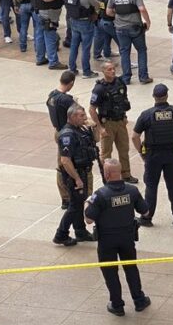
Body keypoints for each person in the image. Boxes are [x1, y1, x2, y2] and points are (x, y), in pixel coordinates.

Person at [83, 159, 151, 316]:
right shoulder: (132, 191)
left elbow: (89, 219)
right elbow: (146, 212)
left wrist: (87, 203)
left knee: (110, 272)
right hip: (127, 237)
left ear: (106, 174)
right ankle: (139, 300)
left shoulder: (100, 195)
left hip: (107, 240)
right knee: (131, 268)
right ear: (119, 172)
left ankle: (117, 304)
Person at [132, 84, 173, 226]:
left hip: (153, 156)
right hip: (172, 154)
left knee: (151, 186)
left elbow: (135, 136)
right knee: (172, 185)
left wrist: (141, 152)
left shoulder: (146, 114)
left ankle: (147, 218)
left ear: (154, 97)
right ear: (167, 96)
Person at [53, 104, 98, 247]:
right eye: (81, 116)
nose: (85, 118)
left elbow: (96, 140)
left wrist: (94, 126)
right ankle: (61, 234)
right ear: (72, 117)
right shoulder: (67, 134)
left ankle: (80, 232)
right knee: (74, 206)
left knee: (79, 204)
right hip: (74, 175)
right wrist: (77, 179)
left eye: (85, 115)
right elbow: (65, 160)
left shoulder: (81, 129)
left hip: (83, 171)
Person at [89, 61, 138, 184]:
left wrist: (124, 116)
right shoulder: (99, 88)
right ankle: (107, 177)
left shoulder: (120, 83)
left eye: (113, 69)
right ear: (104, 72)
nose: (113, 71)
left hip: (120, 121)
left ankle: (126, 174)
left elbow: (123, 100)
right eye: (109, 69)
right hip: (108, 123)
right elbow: (92, 109)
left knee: (124, 149)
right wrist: (100, 128)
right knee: (106, 153)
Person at [107, 0, 153, 85]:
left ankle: (126, 78)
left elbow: (108, 12)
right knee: (141, 51)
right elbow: (142, 9)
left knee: (124, 52)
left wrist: (118, 15)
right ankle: (143, 77)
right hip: (135, 28)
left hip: (120, 29)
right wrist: (148, 22)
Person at [47, 70, 76, 208]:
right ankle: (67, 197)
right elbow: (77, 114)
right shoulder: (67, 100)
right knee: (66, 163)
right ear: (71, 83)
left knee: (61, 164)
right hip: (67, 134)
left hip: (57, 131)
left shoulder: (51, 96)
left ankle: (65, 196)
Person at [64, 0, 98, 79]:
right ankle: (87, 72)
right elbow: (96, 5)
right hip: (85, 23)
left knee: (74, 46)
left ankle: (72, 69)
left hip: (73, 22)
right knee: (86, 48)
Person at [34, 0, 66, 70]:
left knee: (39, 37)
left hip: (38, 14)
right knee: (50, 38)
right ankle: (53, 62)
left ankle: (40, 58)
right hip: (47, 16)